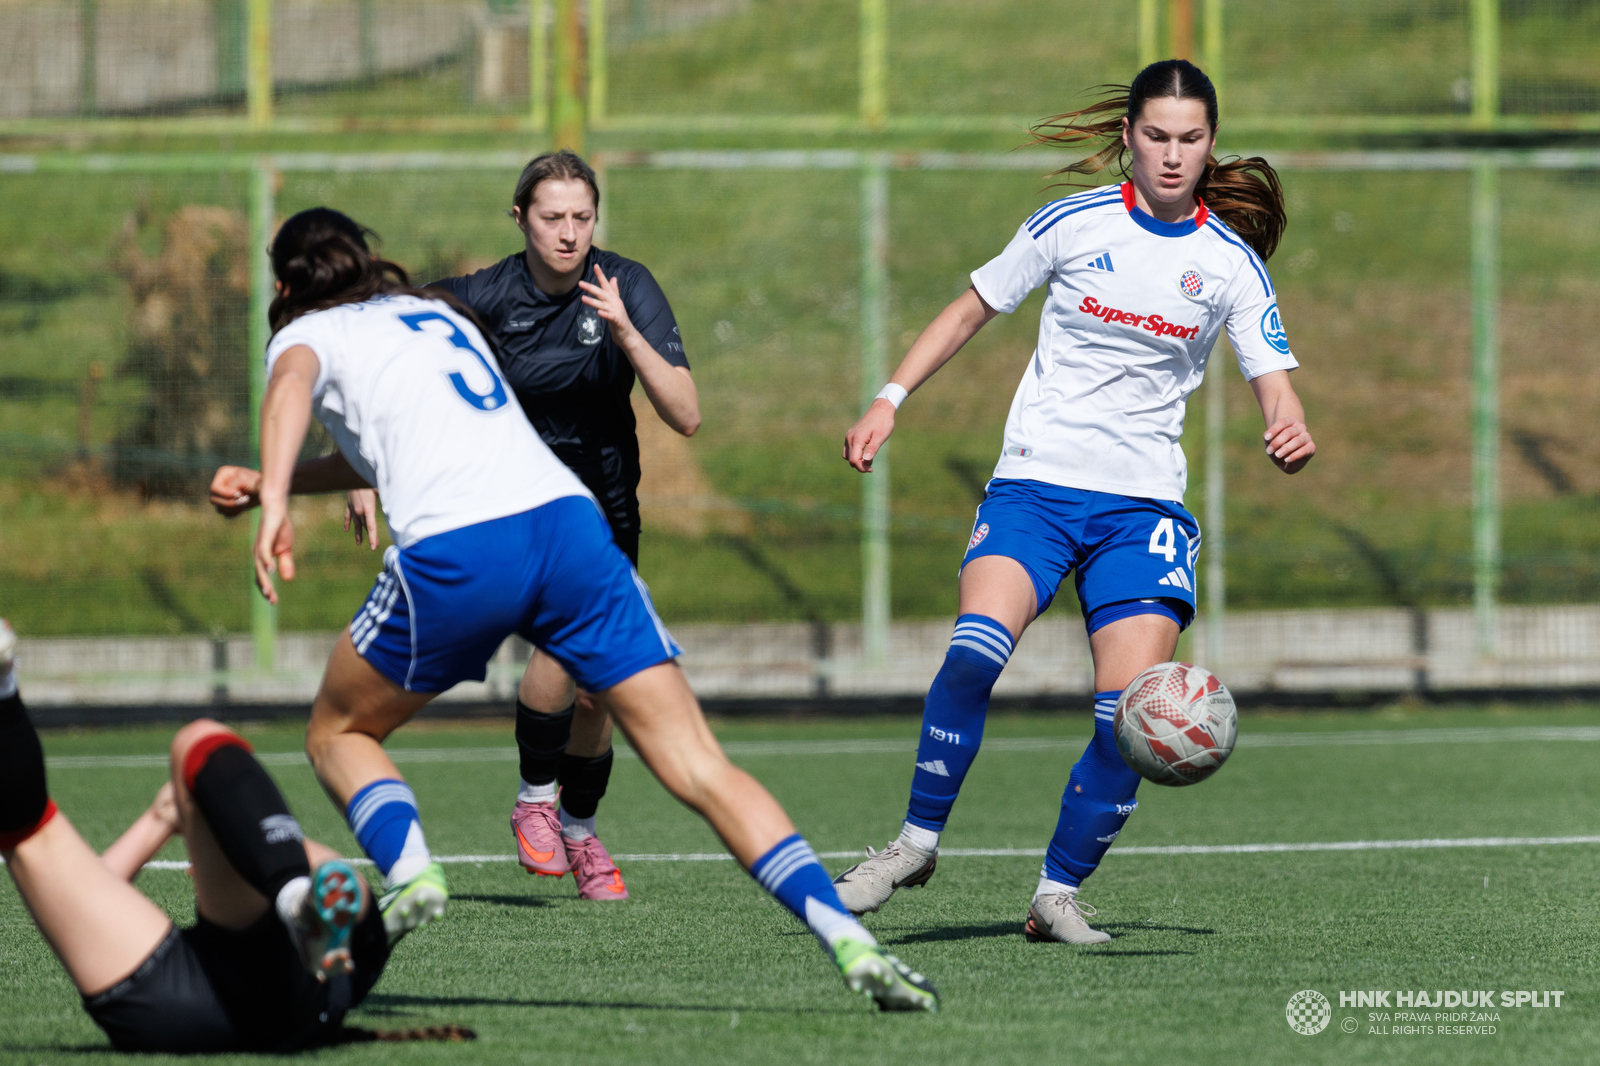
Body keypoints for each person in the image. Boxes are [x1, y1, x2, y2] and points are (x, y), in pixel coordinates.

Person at [207, 208, 937, 1010]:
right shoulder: (426, 313)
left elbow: (287, 390)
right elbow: (380, 447)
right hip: (570, 529)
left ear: (283, 286)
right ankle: (848, 938)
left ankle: (412, 869)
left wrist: (272, 493)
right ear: (365, 260)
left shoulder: (307, 333)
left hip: (461, 548)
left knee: (338, 732)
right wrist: (277, 484)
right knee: (701, 766)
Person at [834, 59, 1316, 944]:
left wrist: (1287, 424)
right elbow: (968, 312)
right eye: (1157, 136)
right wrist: (888, 399)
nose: (1173, 156)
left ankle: (1056, 894)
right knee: (975, 654)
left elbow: (1274, 379)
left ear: (1212, 146)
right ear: (1127, 137)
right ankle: (912, 844)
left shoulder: (1231, 265)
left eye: (1192, 139)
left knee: (1130, 716)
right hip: (1034, 487)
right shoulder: (1071, 222)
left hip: (1143, 513)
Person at [341, 150, 694, 900]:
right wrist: (357, 463)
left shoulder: (625, 286)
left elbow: (687, 414)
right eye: (552, 217)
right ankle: (537, 797)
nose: (569, 234)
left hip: (609, 504)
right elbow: (369, 351)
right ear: (520, 219)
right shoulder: (481, 298)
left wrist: (628, 332)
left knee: (604, 689)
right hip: (514, 501)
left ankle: (577, 828)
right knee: (565, 646)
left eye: (582, 217)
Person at [0, 652, 392, 1051]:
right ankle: (297, 899)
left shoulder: (250, 868)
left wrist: (164, 819)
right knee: (202, 741)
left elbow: (81, 898)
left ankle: (2, 687)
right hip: (300, 986)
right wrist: (161, 817)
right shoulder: (262, 857)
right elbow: (90, 892)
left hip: (183, 1006)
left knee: (30, 838)